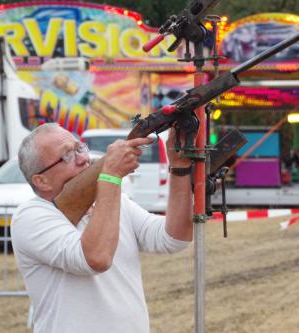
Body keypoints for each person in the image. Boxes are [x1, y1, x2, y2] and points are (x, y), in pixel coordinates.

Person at [11, 123, 193, 333]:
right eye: (67, 155)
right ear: (41, 181)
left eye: (79, 148)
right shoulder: (31, 216)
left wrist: (180, 167)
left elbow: (173, 238)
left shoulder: (113, 202)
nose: (83, 158)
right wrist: (111, 177)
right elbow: (96, 258)